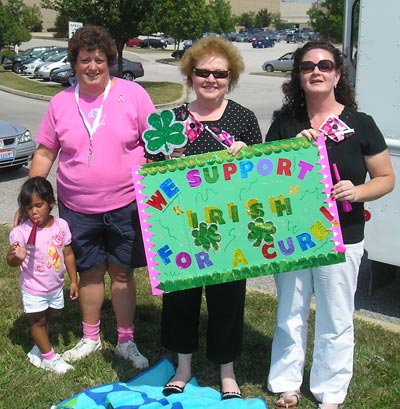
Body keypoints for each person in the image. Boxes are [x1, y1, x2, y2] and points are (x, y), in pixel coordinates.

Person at [265, 41, 394, 409]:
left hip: (343, 235)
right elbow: (264, 179)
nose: (316, 72)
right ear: (299, 76)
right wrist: (288, 150)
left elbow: (386, 177)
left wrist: (357, 191)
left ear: (338, 74)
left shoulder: (360, 124)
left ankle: (330, 392)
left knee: (336, 316)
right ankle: (286, 383)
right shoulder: (286, 124)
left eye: (324, 65)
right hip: (293, 235)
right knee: (290, 310)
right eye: (307, 67)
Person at [27, 25, 155, 368]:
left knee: (123, 273)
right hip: (78, 208)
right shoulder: (60, 103)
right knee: (90, 272)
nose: (93, 66)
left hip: (127, 205)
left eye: (99, 59)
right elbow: (44, 152)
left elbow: (158, 144)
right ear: (74, 63)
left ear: (110, 61)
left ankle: (126, 341)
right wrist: (29, 198)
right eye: (85, 60)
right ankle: (90, 337)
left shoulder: (134, 95)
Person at [146, 36, 262, 399]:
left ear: (231, 77)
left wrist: (247, 156)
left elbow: (261, 180)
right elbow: (151, 178)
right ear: (190, 75)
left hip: (229, 228)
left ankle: (227, 371)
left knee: (228, 298)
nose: (211, 79)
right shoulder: (172, 120)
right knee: (181, 299)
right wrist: (167, 160)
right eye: (203, 72)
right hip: (181, 228)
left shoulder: (243, 119)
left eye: (220, 74)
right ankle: (183, 366)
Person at [7, 177, 78, 374]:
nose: (34, 211)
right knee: (37, 321)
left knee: (46, 318)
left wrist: (74, 281)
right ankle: (50, 358)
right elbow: (11, 262)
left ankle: (39, 348)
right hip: (33, 287)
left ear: (51, 203)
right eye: (29, 208)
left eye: (39, 205)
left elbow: (68, 254)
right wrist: (15, 256)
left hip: (54, 286)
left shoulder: (61, 226)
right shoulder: (21, 232)